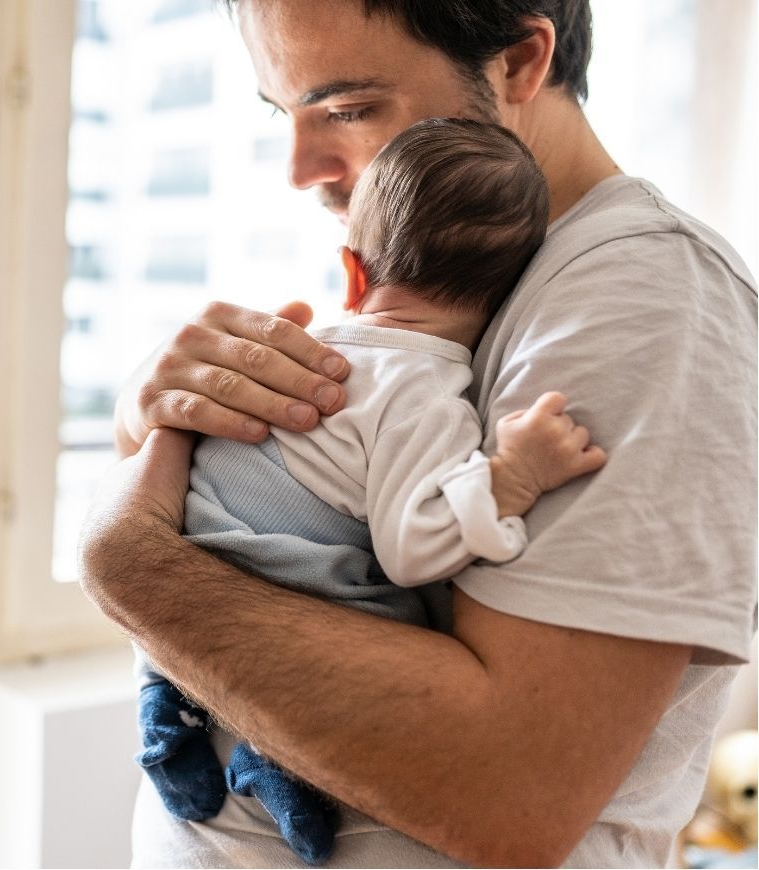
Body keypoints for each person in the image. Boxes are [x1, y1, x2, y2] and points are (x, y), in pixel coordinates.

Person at [77, 0, 758, 866]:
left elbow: (507, 791)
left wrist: (128, 562)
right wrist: (153, 429)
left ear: (517, 62)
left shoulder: (640, 303)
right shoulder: (446, 268)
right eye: (279, 112)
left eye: (349, 109)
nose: (297, 168)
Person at [134, 117, 607, 865]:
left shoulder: (306, 345)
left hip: (199, 536)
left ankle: (165, 701)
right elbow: (412, 546)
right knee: (398, 617)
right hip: (283, 563)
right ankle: (280, 756)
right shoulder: (420, 393)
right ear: (504, 300)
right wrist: (511, 479)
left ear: (353, 272)